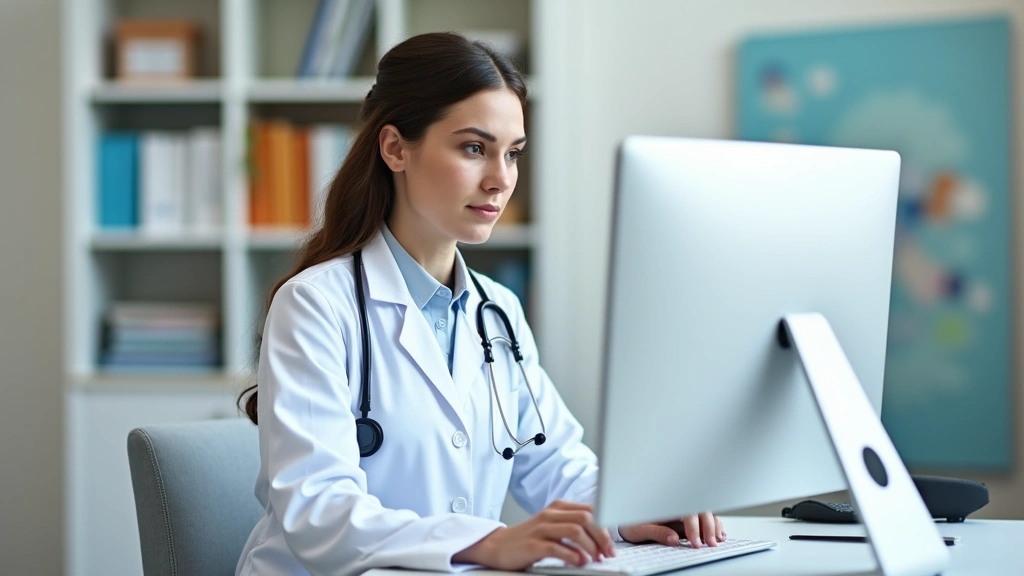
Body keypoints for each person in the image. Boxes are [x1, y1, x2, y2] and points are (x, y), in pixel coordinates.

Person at [235, 32, 725, 576]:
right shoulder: (316, 306)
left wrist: (631, 512)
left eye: (513, 153)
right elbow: (320, 512)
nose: (501, 179)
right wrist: (490, 543)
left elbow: (555, 464)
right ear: (396, 148)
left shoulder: (499, 311)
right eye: (474, 148)